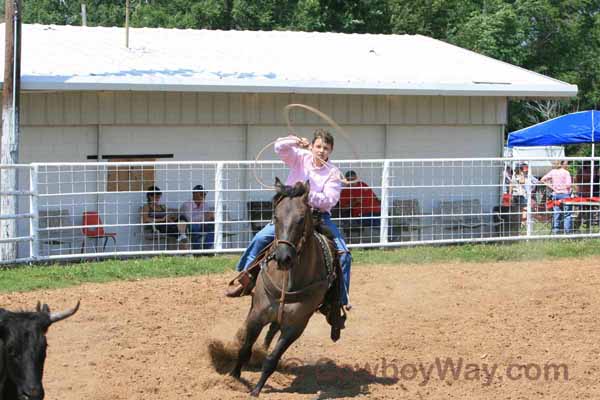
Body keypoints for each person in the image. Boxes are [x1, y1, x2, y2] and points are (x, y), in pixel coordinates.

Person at [226, 128, 352, 309]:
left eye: (326, 148)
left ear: (330, 151)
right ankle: (245, 277)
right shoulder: (300, 157)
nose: (321, 151)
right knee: (262, 238)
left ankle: (340, 299)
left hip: (318, 216)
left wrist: (306, 195)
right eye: (318, 146)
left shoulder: (333, 172)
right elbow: (279, 148)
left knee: (343, 254)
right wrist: (294, 140)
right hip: (291, 213)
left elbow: (330, 200)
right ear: (312, 146)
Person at [541, 160, 573, 234]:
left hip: (555, 194)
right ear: (562, 164)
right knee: (567, 214)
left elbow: (542, 179)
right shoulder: (566, 172)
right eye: (567, 164)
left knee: (556, 213)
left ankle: (556, 232)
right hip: (565, 194)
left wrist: (553, 187)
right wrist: (563, 188)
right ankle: (567, 233)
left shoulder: (553, 172)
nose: (567, 165)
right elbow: (568, 185)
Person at [180, 184, 215, 250]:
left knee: (213, 226)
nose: (204, 196)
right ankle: (197, 251)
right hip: (188, 227)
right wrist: (204, 216)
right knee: (195, 226)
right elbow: (190, 220)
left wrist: (212, 217)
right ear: (194, 194)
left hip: (202, 225)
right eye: (202, 194)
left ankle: (206, 250)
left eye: (205, 194)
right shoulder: (187, 205)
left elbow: (208, 217)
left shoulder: (205, 204)